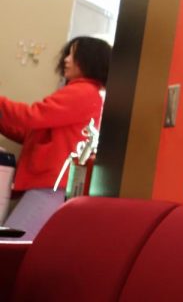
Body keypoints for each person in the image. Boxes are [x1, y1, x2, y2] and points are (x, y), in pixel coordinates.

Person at [0, 36, 111, 238]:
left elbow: (32, 116)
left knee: (10, 243)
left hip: (53, 186)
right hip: (55, 186)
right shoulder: (87, 93)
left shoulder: (83, 92)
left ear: (88, 60)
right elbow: (32, 133)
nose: (66, 60)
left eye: (72, 54)